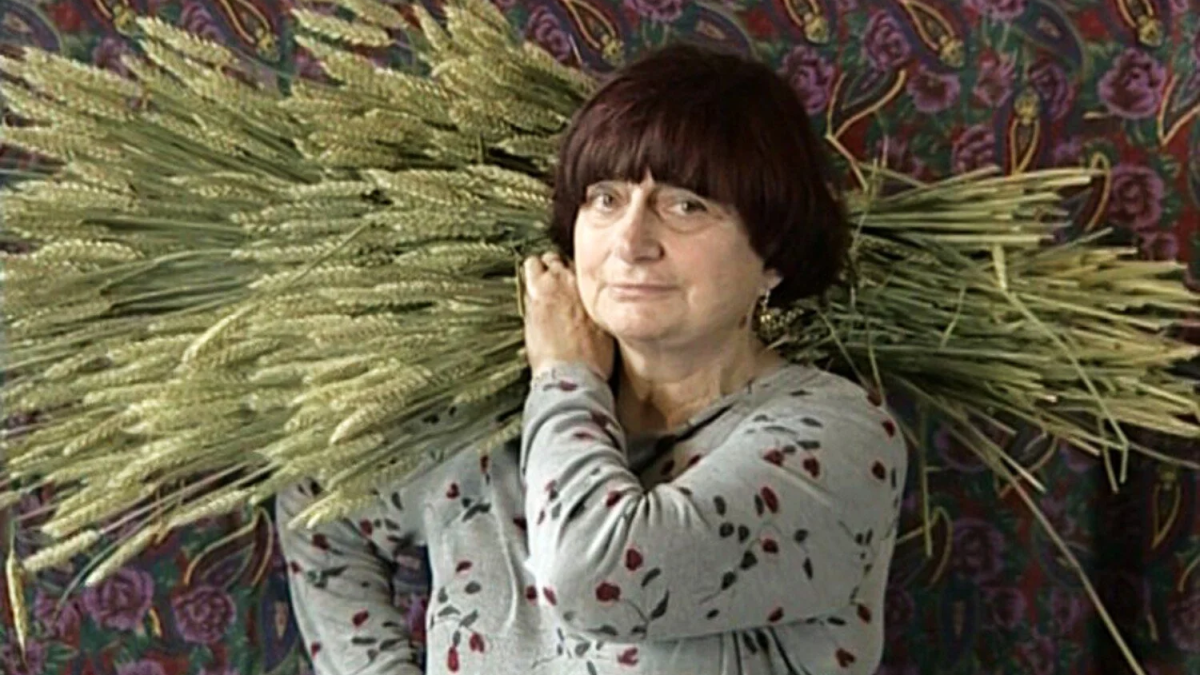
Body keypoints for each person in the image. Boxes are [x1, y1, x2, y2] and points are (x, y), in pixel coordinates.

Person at [277, 42, 907, 675]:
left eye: (686, 205)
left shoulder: (837, 441)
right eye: (605, 199)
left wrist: (565, 375)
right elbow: (315, 497)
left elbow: (593, 576)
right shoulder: (491, 434)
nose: (631, 242)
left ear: (773, 254)